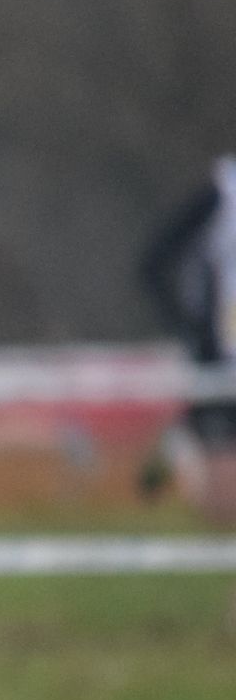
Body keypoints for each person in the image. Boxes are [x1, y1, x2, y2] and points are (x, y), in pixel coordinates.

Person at [139, 157, 236, 529]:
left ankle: (176, 442)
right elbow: (153, 263)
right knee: (225, 504)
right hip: (223, 362)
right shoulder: (223, 195)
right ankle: (178, 443)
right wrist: (191, 327)